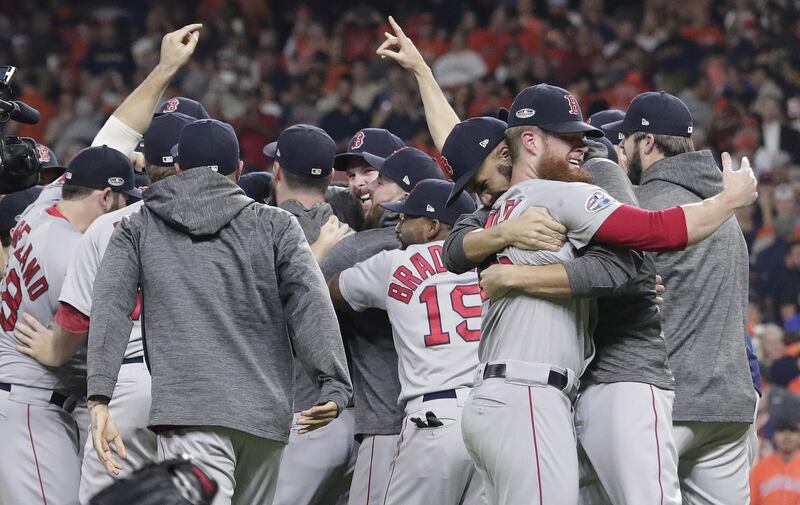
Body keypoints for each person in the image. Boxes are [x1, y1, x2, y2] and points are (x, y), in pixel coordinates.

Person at [85, 118, 352, 505]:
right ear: (239, 170)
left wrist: (99, 396)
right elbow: (310, 303)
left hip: (190, 412)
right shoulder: (277, 225)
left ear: (178, 169)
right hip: (263, 416)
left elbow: (110, 307)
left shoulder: (138, 225)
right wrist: (335, 383)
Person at [605, 91, 760, 504]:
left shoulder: (646, 208)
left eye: (626, 141)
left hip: (668, 402)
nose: (621, 150)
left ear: (648, 142)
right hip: (728, 407)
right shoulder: (724, 212)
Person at [329, 179, 485, 505]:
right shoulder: (493, 260)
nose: (397, 225)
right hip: (491, 415)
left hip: (434, 418)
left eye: (406, 218)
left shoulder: (395, 262)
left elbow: (331, 292)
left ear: (431, 226)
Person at [0, 144, 138, 505]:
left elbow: (116, 132)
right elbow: (69, 345)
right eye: (126, 200)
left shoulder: (43, 205)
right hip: (31, 407)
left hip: (23, 400)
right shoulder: (76, 254)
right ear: (106, 197)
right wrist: (59, 348)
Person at [318, 147, 443, 505]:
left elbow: (304, 299)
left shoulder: (360, 250)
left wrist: (322, 248)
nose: (364, 187)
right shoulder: (468, 246)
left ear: (409, 194)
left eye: (381, 180)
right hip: (463, 412)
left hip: (387, 424)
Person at [262, 124, 358, 505]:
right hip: (360, 417)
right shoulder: (357, 226)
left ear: (278, 172)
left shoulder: (266, 229)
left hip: (300, 416)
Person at [750, 421, 800, 504]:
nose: (786, 436)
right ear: (774, 436)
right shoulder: (760, 468)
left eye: (792, 431)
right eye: (781, 431)